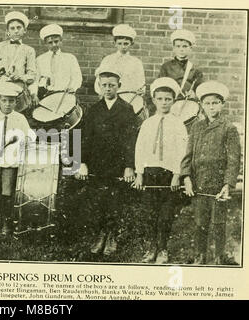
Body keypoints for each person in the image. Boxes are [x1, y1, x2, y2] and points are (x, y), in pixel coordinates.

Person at [76, 65, 137, 257]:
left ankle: (112, 236)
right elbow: (85, 137)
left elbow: (131, 140)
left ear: (119, 85)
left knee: (115, 201)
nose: (108, 89)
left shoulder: (127, 109)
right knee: (98, 200)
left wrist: (129, 166)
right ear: (99, 87)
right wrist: (82, 162)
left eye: (112, 85)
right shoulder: (93, 110)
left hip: (117, 165)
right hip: (97, 164)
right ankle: (100, 235)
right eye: (104, 85)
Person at [181, 81, 241, 265]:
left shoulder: (228, 128)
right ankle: (200, 255)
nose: (211, 106)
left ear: (222, 105)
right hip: (199, 182)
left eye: (215, 103)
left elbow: (233, 159)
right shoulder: (196, 127)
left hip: (218, 184)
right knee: (200, 221)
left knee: (218, 222)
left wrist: (227, 185)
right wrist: (186, 177)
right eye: (207, 103)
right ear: (202, 105)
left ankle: (219, 255)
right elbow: (188, 155)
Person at [133, 77, 188, 264]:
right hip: (150, 173)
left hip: (168, 175)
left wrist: (176, 175)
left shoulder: (178, 124)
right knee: (150, 214)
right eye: (160, 99)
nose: (164, 103)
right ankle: (151, 248)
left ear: (173, 101)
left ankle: (163, 249)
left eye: (168, 99)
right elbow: (140, 148)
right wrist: (139, 173)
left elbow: (182, 152)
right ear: (154, 100)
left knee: (165, 215)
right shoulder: (148, 123)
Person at [0, 82, 33, 235]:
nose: (8, 104)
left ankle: (6, 222)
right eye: (4, 100)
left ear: (16, 102)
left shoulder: (20, 119)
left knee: (7, 193)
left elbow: (28, 138)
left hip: (10, 162)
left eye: (11, 101)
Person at [0, 11, 36, 114]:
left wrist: (20, 76)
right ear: (7, 31)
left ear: (25, 30)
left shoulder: (29, 50)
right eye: (12, 28)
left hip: (17, 89)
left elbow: (32, 75)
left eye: (19, 28)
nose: (16, 31)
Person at [94, 24, 146, 120]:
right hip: (112, 97)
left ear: (131, 44)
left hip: (131, 98)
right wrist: (102, 93)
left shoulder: (136, 62)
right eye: (120, 43)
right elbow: (99, 82)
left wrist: (141, 90)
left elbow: (141, 82)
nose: (123, 47)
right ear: (114, 43)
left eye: (126, 43)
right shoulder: (108, 60)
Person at [33, 24, 82, 102]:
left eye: (56, 41)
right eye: (50, 42)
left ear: (61, 41)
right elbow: (35, 79)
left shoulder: (70, 58)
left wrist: (72, 87)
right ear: (45, 44)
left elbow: (77, 77)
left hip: (64, 95)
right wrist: (34, 94)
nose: (54, 45)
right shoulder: (40, 60)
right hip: (45, 96)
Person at [159, 29, 203, 100]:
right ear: (173, 48)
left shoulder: (196, 69)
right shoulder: (166, 67)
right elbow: (160, 88)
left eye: (185, 46)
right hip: (170, 103)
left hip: (188, 103)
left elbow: (200, 90)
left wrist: (194, 94)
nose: (181, 49)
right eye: (178, 46)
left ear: (190, 48)